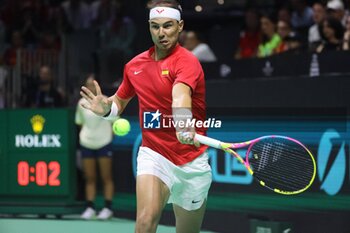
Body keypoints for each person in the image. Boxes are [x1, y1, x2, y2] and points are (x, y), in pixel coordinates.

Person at [80, 0, 212, 232]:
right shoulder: (134, 66)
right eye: (155, 26)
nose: (161, 33)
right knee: (145, 220)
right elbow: (118, 103)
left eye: (168, 25)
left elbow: (180, 95)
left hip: (192, 161)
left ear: (180, 26)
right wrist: (106, 110)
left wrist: (182, 124)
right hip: (154, 153)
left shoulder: (187, 61)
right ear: (149, 27)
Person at [75, 75, 115, 220]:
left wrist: (107, 136)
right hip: (87, 143)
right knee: (89, 178)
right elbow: (80, 123)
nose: (90, 87)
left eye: (93, 84)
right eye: (87, 84)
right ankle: (90, 207)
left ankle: (108, 208)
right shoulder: (81, 103)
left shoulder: (106, 101)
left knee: (106, 177)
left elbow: (113, 123)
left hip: (104, 142)